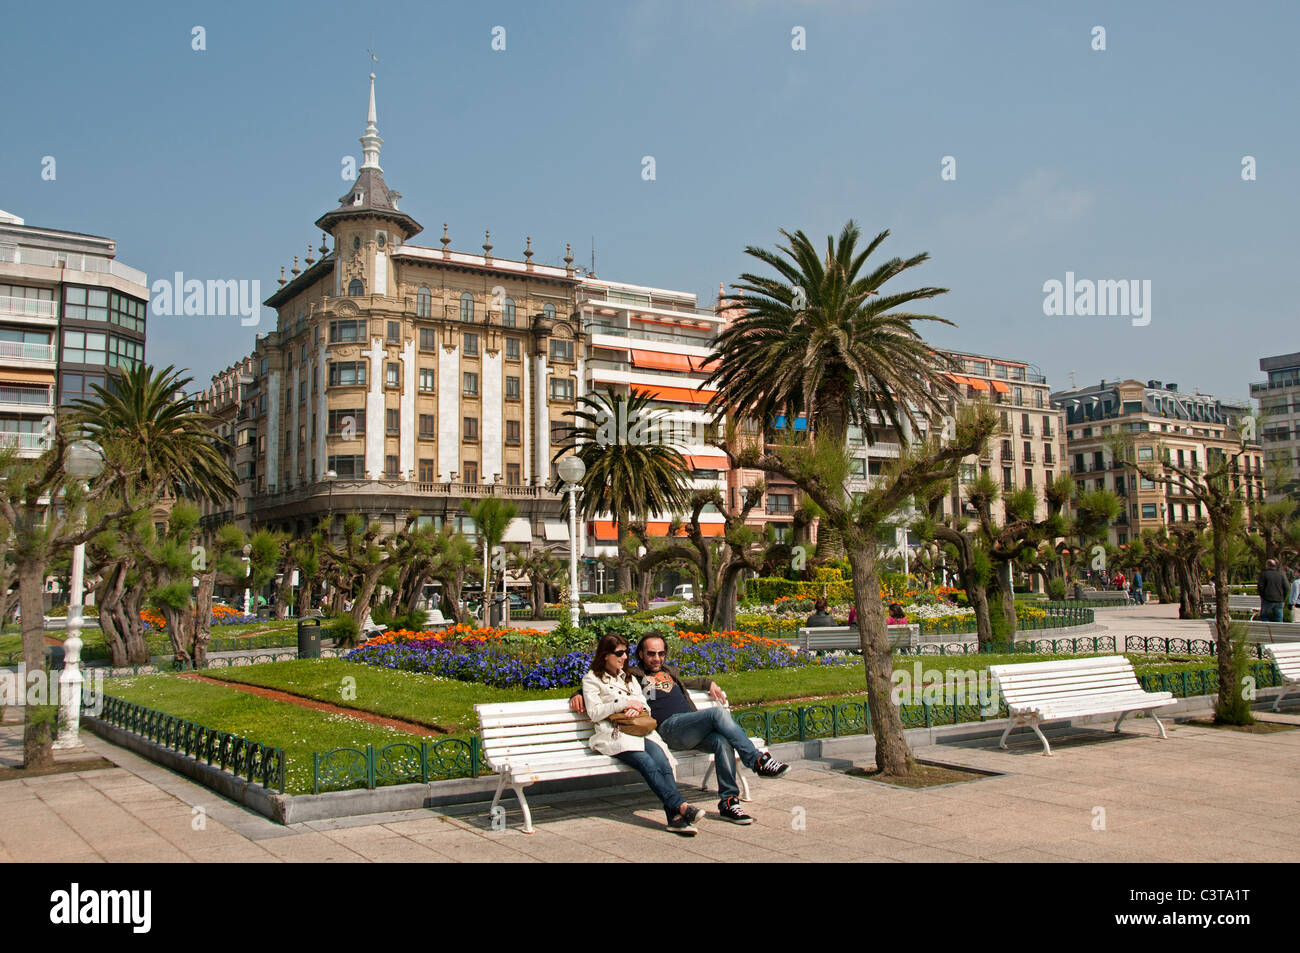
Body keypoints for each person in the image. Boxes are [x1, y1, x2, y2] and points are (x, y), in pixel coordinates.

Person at [571, 633, 789, 825]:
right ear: (640, 654)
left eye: (661, 653)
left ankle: (729, 803)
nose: (656, 658)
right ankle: (757, 760)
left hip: (691, 726)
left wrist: (707, 683)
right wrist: (577, 695)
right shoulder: (634, 674)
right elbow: (597, 684)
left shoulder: (669, 672)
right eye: (651, 654)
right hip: (669, 728)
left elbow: (690, 682)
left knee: (722, 742)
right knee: (717, 713)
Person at [580, 633, 701, 836]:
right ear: (605, 655)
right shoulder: (592, 679)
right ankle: (679, 808)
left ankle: (675, 817)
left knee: (663, 761)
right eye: (619, 653)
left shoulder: (629, 677)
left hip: (639, 731)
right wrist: (623, 703)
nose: (625, 657)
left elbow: (645, 702)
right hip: (614, 734)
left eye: (626, 652)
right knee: (646, 762)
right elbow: (593, 713)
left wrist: (639, 708)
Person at [1258, 558, 1289, 623]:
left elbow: (1260, 587)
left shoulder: (1264, 574)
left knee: (1264, 617)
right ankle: (1279, 632)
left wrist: (1263, 596)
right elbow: (1286, 588)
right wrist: (1283, 598)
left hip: (1267, 599)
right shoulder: (1280, 575)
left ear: (1267, 565)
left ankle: (1267, 631)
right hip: (1279, 600)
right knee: (1279, 618)